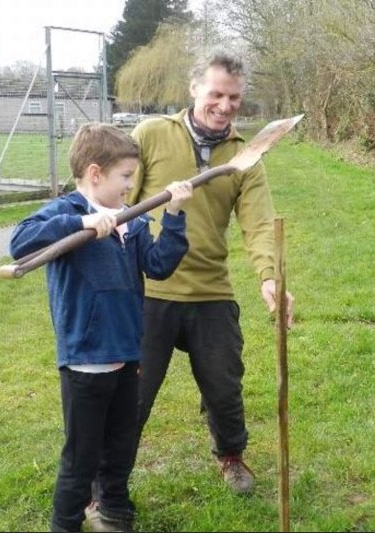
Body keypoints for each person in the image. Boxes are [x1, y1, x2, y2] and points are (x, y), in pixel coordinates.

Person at [9, 123, 193, 533]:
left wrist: (175, 216)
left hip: (128, 357)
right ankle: (66, 524)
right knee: (81, 457)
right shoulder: (66, 212)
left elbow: (160, 265)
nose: (131, 186)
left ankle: (114, 508)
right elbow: (21, 241)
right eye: (125, 177)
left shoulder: (133, 222)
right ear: (95, 173)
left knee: (121, 445)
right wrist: (85, 224)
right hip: (86, 363)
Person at [127, 50, 295, 495]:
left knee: (224, 385)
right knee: (132, 395)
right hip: (149, 289)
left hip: (211, 290)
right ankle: (108, 475)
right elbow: (120, 201)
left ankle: (231, 456)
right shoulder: (151, 134)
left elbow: (259, 223)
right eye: (216, 93)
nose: (224, 105)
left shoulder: (245, 156)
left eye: (234, 97)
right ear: (194, 89)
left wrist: (269, 277)